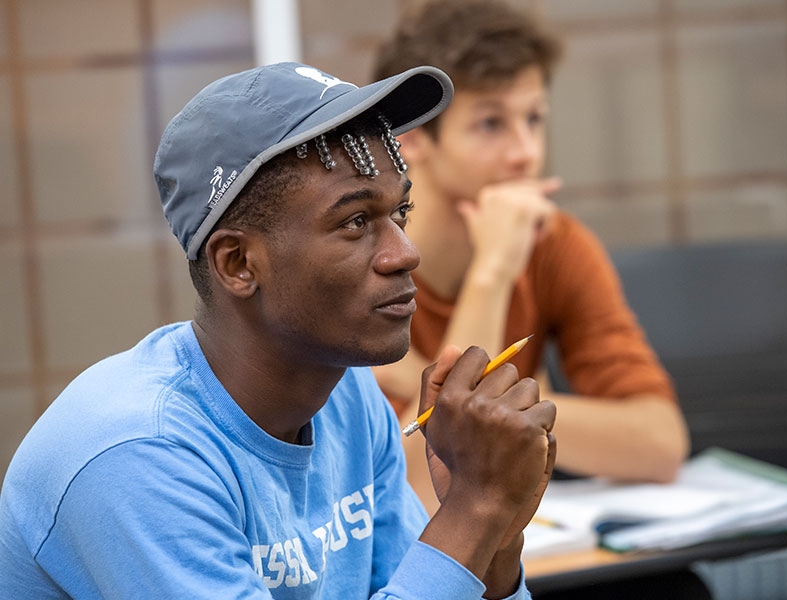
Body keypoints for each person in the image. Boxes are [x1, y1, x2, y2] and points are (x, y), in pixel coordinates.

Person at [0, 62, 558, 599]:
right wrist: (474, 509)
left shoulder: (348, 397)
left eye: (400, 215)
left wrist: (497, 545)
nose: (404, 253)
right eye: (356, 222)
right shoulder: (134, 454)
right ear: (238, 263)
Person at [371, 0, 689, 513]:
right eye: (491, 124)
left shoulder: (553, 242)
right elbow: (420, 494)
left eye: (534, 119)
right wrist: (492, 274)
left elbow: (661, 443)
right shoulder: (362, 269)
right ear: (411, 140)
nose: (525, 152)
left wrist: (482, 399)